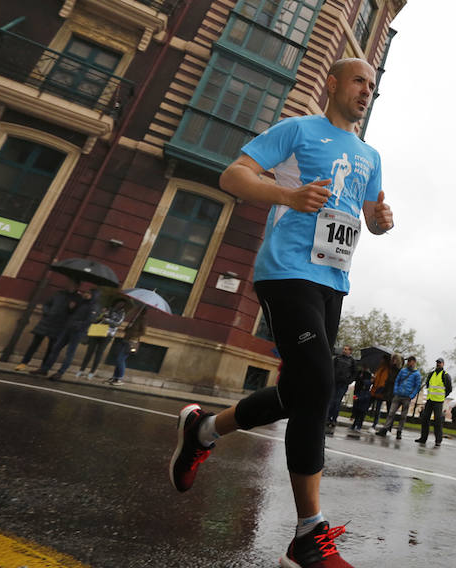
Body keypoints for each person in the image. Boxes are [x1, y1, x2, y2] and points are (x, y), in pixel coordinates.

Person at [167, 58, 393, 568]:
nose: (366, 91)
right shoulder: (298, 130)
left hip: (333, 280)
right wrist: (287, 195)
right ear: (332, 83)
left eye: (372, 86)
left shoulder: (370, 154)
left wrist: (379, 219)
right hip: (286, 270)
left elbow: (369, 217)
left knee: (300, 392)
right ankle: (308, 535)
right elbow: (234, 175)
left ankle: (202, 430)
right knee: (315, 381)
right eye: (358, 80)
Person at [30, 286, 99, 380]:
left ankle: (60, 373)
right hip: (68, 328)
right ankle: (44, 369)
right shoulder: (81, 302)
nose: (85, 294)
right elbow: (72, 313)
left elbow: (89, 321)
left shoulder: (94, 307)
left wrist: (76, 325)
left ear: (93, 296)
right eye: (86, 292)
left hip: (77, 332)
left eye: (88, 293)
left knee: (69, 353)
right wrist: (71, 308)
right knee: (55, 349)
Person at [14, 282, 76, 371]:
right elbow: (47, 304)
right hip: (46, 322)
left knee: (51, 348)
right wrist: (47, 312)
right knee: (34, 345)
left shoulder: (77, 299)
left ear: (76, 286)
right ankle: (24, 363)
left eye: (72, 285)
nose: (69, 286)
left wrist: (71, 309)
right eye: (69, 284)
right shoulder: (58, 294)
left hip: (59, 325)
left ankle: (43, 367)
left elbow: (75, 314)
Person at [77, 299, 128, 379]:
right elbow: (96, 318)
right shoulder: (107, 309)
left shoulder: (122, 313)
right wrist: (102, 313)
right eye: (119, 303)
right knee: (89, 351)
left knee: (99, 353)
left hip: (108, 335)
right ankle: (81, 370)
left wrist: (106, 320)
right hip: (97, 330)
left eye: (122, 304)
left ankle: (92, 372)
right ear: (116, 302)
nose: (120, 305)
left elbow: (117, 324)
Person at [376, 356, 420, 440]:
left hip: (407, 397)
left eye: (410, 361)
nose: (409, 363)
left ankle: (399, 431)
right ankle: (385, 429)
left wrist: (412, 395)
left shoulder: (416, 374)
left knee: (403, 416)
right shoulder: (403, 371)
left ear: (414, 362)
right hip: (398, 395)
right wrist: (396, 390)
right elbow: (397, 380)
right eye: (408, 361)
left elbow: (417, 386)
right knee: (391, 413)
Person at [415, 358, 452, 447]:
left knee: (437, 421)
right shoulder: (431, 374)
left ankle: (438, 440)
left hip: (438, 402)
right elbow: (428, 385)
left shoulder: (445, 375)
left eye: (440, 363)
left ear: (443, 364)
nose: (438, 364)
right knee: (425, 419)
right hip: (430, 400)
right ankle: (423, 438)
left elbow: (449, 389)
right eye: (437, 363)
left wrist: (442, 396)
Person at [108, 309, 146, 386]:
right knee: (119, 359)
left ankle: (119, 378)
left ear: (141, 311)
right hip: (125, 339)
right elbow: (130, 329)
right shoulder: (134, 318)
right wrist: (127, 329)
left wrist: (133, 334)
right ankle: (115, 377)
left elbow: (143, 332)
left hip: (131, 341)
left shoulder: (142, 320)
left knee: (120, 359)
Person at [326, 345, 355, 435]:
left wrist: (349, 381)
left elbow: (354, 373)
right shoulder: (337, 358)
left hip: (343, 384)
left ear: (350, 351)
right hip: (335, 382)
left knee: (337, 402)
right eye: (344, 349)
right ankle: (328, 418)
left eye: (346, 349)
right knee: (331, 401)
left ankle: (334, 419)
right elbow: (331, 368)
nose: (344, 350)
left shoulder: (352, 361)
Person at [367, 355, 391, 431]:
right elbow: (376, 378)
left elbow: (384, 381)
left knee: (378, 409)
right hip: (374, 390)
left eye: (382, 359)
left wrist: (381, 388)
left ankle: (374, 424)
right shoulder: (380, 368)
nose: (381, 360)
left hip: (380, 392)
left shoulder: (387, 370)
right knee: (368, 406)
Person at [350, 363, 373, 431]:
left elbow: (365, 398)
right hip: (359, 404)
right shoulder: (360, 373)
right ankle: (354, 425)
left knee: (361, 417)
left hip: (363, 407)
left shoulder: (367, 393)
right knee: (357, 415)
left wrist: (358, 398)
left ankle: (358, 426)